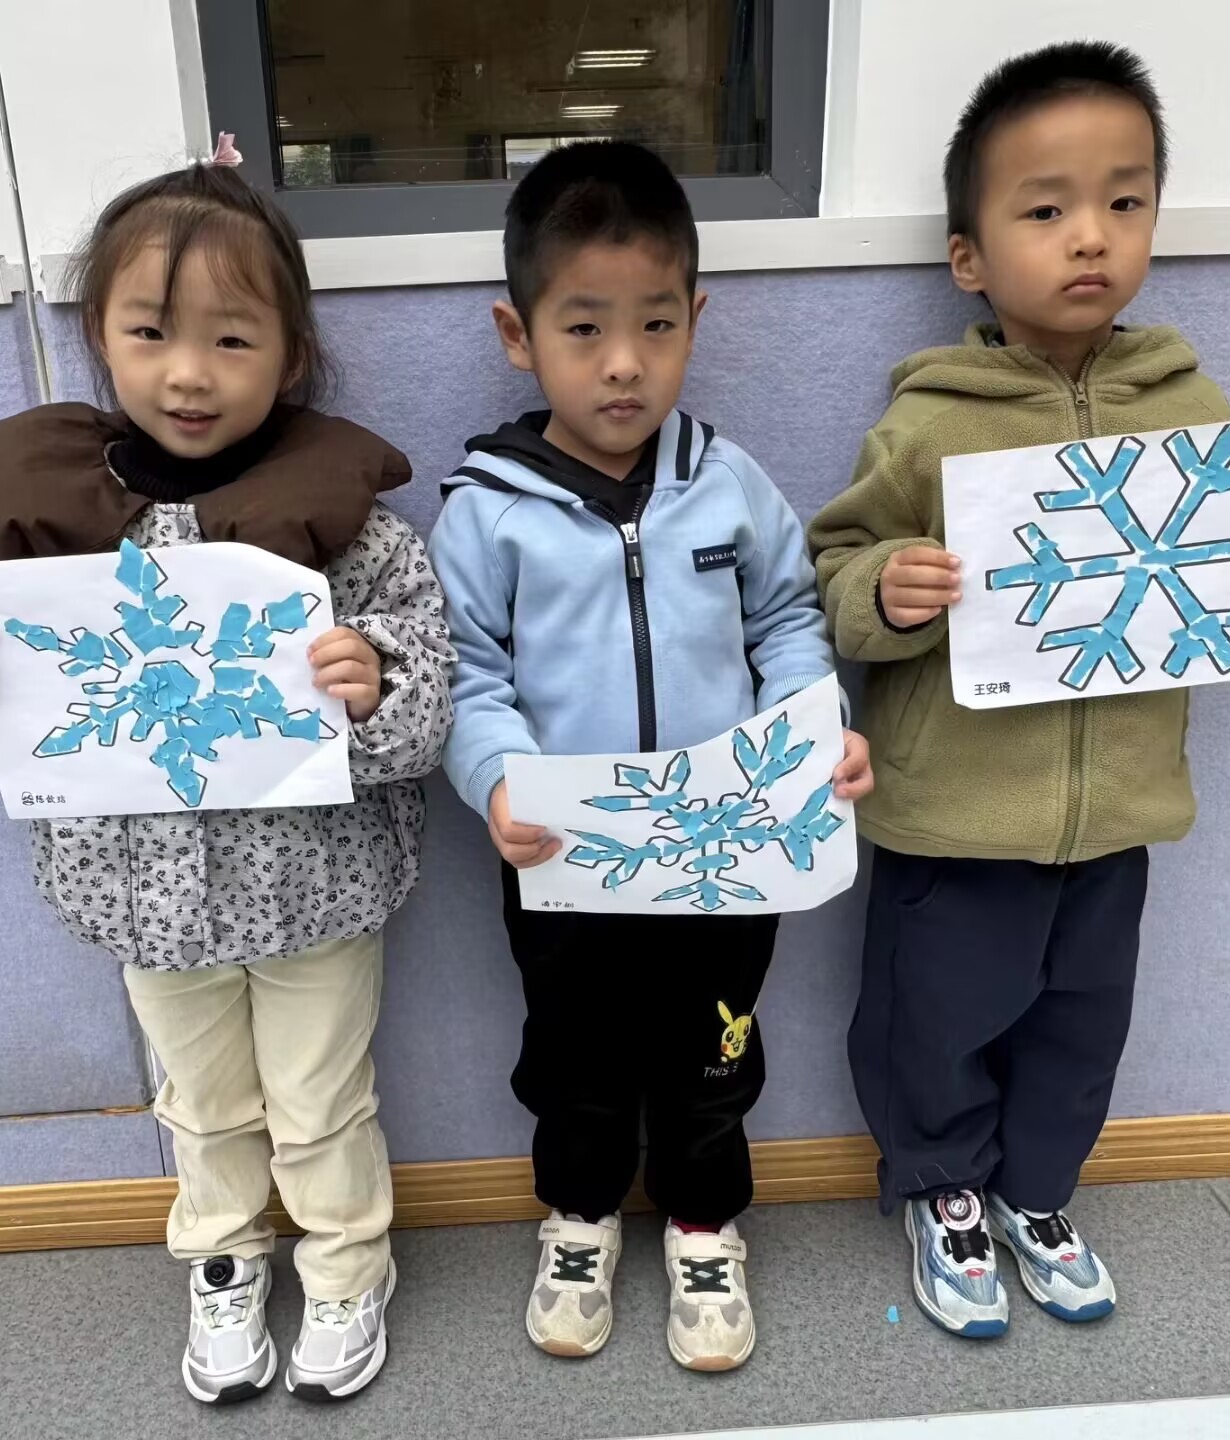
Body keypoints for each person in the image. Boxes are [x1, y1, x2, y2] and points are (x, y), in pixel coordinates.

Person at [809, 44, 1230, 1339]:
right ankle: (943, 1191)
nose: (1091, 235)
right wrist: (889, 588)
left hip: (1116, 817)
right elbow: (835, 567)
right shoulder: (931, 421)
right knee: (932, 1022)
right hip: (953, 818)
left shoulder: (1189, 404)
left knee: (1081, 1026)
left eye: (1125, 202)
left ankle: (1038, 1193)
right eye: (1047, 207)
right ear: (969, 257)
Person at [0, 140, 452, 1405]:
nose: (187, 373)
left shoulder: (346, 517)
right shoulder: (28, 509)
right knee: (199, 1101)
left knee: (320, 1097)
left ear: (291, 355)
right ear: (101, 335)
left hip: (314, 886)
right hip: (141, 893)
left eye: (231, 340)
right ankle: (222, 1255)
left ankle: (348, 1265)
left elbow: (426, 685)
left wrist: (374, 680)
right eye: (149, 333)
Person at [429, 140, 873, 1373]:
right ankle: (577, 1218)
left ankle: (703, 1222)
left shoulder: (727, 485)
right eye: (584, 329)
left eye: (657, 325)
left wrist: (811, 732)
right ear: (518, 336)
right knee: (572, 1053)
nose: (624, 362)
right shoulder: (487, 509)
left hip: (726, 854)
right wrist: (497, 780)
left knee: (715, 1049)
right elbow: (467, 675)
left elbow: (787, 620)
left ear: (695, 321)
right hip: (562, 856)